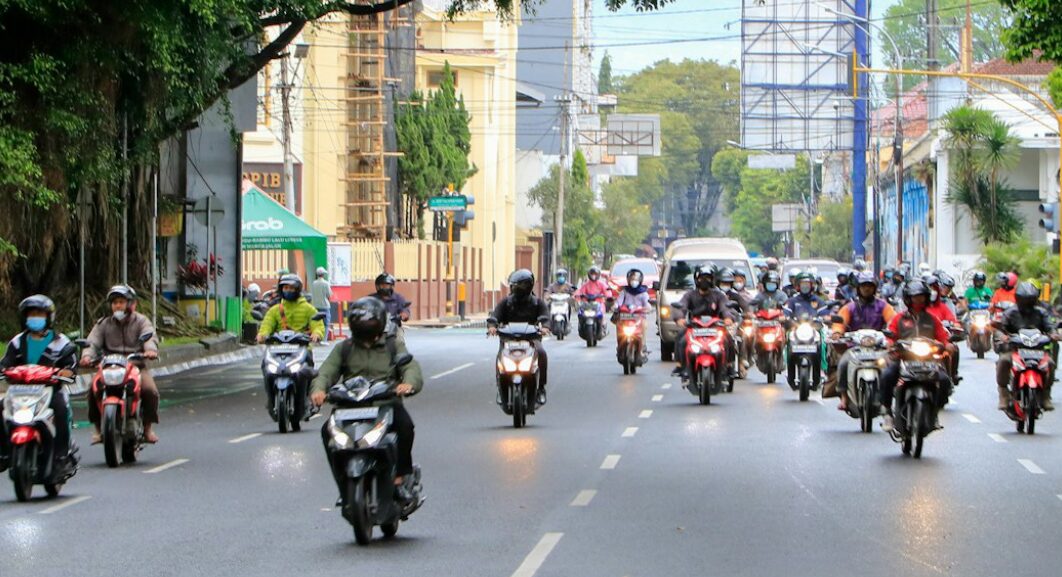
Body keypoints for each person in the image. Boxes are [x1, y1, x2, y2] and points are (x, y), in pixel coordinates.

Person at [311, 297, 422, 501]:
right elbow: (326, 372)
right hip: (349, 407)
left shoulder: (392, 346)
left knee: (405, 426)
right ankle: (343, 483)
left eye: (369, 320)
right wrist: (318, 390)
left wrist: (408, 384)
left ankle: (400, 477)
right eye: (360, 321)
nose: (365, 325)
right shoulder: (344, 348)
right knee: (327, 432)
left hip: (384, 404)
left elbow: (410, 368)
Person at [0, 295, 78, 473]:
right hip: (19, 391)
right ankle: (4, 454)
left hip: (50, 391)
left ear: (48, 317)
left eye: (40, 314)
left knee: (61, 410)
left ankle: (61, 457)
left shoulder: (61, 342)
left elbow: (71, 363)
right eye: (32, 314)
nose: (35, 317)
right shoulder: (17, 342)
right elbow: (5, 362)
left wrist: (66, 372)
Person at [80, 285, 161, 444]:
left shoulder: (141, 321)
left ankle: (147, 428)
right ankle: (97, 428)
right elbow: (92, 342)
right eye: (115, 302)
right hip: (109, 367)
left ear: (131, 304)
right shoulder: (103, 324)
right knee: (92, 388)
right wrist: (87, 356)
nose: (118, 306)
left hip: (135, 367)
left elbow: (150, 337)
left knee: (150, 391)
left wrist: (150, 351)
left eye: (121, 302)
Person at [879, 281, 951, 432]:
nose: (918, 300)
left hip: (929, 361)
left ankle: (935, 412)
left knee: (944, 381)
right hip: (904, 359)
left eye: (921, 297)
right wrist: (891, 344)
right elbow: (890, 334)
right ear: (908, 299)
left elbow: (943, 337)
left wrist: (946, 345)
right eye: (915, 297)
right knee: (886, 376)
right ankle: (887, 412)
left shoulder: (932, 319)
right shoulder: (899, 318)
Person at [257, 274, 325, 416]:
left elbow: (317, 324)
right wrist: (262, 335)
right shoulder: (275, 310)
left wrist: (316, 334)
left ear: (298, 289)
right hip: (277, 349)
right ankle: (270, 398)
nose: (288, 290)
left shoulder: (308, 309)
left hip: (301, 349)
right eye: (285, 288)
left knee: (306, 374)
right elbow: (267, 325)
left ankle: (306, 399)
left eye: (292, 288)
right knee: (267, 368)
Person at [831, 273, 896, 411]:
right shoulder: (850, 307)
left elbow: (893, 322)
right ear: (858, 288)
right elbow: (840, 323)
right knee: (843, 363)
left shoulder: (884, 306)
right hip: (855, 347)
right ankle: (844, 397)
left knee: (891, 367)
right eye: (864, 286)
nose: (866, 289)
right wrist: (837, 333)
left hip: (878, 348)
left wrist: (892, 334)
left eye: (869, 286)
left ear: (874, 288)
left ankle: (888, 399)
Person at [487, 269, 550, 405]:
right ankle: (500, 387)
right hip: (508, 340)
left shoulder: (537, 303)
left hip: (531, 340)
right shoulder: (506, 303)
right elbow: (495, 316)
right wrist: (492, 326)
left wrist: (545, 327)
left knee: (542, 354)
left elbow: (545, 317)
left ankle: (541, 389)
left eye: (517, 285)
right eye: (513, 285)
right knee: (500, 358)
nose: (514, 288)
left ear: (527, 286)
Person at [995, 282, 1058, 411]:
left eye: (1030, 300)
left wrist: (1053, 335)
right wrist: (1003, 336)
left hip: (1037, 350)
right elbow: (1000, 329)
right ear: (1018, 299)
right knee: (1003, 361)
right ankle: (1003, 394)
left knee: (1050, 363)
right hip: (1015, 350)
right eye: (1025, 300)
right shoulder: (1010, 312)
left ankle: (1046, 395)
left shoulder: (1041, 312)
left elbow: (1050, 328)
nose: (1028, 303)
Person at [670, 265, 736, 380]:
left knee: (728, 339)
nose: (704, 281)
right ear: (696, 279)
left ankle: (729, 366)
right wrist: (680, 318)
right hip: (694, 327)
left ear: (712, 280)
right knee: (681, 338)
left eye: (708, 278)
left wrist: (728, 318)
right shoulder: (690, 295)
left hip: (715, 327)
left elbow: (725, 308)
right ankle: (681, 366)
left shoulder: (719, 295)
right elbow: (682, 307)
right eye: (701, 278)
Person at [925, 276, 962, 381]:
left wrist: (955, 325)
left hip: (940, 340)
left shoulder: (944, 305)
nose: (933, 291)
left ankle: (952, 375)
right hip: (920, 341)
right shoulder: (917, 307)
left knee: (954, 348)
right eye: (930, 288)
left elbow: (953, 320)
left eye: (935, 288)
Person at [614, 269, 652, 354]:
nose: (634, 281)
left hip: (639, 316)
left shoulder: (643, 293)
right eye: (632, 279)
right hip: (625, 316)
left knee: (644, 325)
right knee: (618, 325)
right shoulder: (624, 291)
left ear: (640, 280)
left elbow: (647, 304)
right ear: (628, 280)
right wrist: (615, 306)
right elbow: (618, 302)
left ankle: (642, 346)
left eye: (636, 279)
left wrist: (647, 308)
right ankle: (620, 345)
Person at [311, 267, 333, 342]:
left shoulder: (314, 283)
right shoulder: (326, 283)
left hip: (315, 306)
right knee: (326, 323)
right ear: (323, 274)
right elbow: (329, 295)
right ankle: (324, 340)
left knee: (316, 323)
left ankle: (317, 339)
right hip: (325, 306)